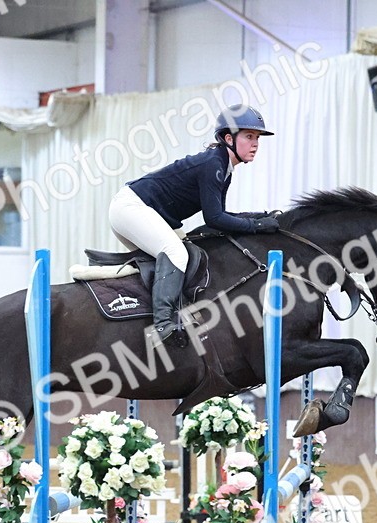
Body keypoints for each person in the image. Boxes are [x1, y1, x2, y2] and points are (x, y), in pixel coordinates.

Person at [109, 104, 280, 347]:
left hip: (138, 210)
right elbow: (215, 220)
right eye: (249, 136)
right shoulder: (214, 164)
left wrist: (259, 217)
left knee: (187, 253)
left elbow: (220, 215)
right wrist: (256, 225)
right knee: (176, 253)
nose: (255, 144)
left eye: (257, 138)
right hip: (131, 208)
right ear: (228, 139)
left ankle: (160, 316)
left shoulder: (223, 167)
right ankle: (162, 325)